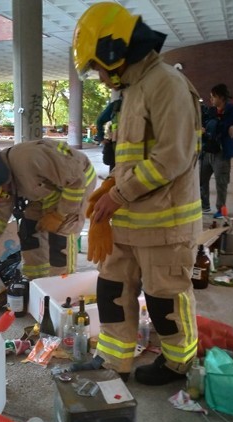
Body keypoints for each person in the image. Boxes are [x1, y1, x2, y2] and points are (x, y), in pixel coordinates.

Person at [73, 2, 202, 385]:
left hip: (165, 226)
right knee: (112, 289)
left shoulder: (166, 83)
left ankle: (178, 364)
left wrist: (118, 194)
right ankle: (115, 361)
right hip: (129, 221)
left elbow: (172, 157)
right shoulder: (134, 89)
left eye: (97, 67)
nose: (99, 77)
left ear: (113, 52)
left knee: (165, 299)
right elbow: (133, 157)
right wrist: (112, 186)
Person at [0, 139, 96, 279]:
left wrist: (59, 215)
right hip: (48, 190)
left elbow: (76, 181)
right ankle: (36, 282)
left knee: (61, 236)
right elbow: (0, 216)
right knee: (29, 231)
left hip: (77, 183)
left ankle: (61, 285)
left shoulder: (30, 159)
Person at [199, 83, 233, 218]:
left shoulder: (232, 112)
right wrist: (203, 130)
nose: (211, 99)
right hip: (207, 152)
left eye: (213, 96)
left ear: (221, 97)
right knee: (201, 180)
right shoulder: (210, 112)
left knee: (221, 183)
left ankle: (221, 210)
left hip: (221, 154)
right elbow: (205, 125)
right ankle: (204, 206)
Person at [95, 89, 122, 172]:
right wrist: (101, 138)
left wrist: (101, 138)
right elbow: (100, 121)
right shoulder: (116, 105)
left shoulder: (143, 103)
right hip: (116, 147)